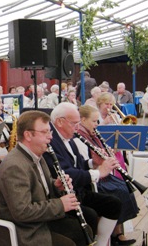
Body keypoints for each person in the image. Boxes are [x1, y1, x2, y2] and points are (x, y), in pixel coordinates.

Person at [0, 110, 93, 246]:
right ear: (28, 135)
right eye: (45, 132)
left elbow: (42, 185)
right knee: (70, 242)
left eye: (50, 132)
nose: (50, 137)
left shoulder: (38, 155)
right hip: (20, 230)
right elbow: (22, 212)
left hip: (37, 222)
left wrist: (56, 185)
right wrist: (60, 204)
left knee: (84, 229)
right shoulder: (15, 167)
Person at [43, 102, 122, 246]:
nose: (77, 127)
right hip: (65, 195)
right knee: (90, 214)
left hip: (78, 190)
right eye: (74, 123)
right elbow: (67, 173)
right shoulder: (51, 141)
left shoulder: (69, 138)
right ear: (60, 122)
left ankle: (102, 243)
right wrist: (99, 172)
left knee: (114, 204)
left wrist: (93, 162)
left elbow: (79, 165)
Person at [75, 105, 138, 245]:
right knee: (118, 190)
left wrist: (107, 152)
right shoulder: (79, 137)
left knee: (124, 186)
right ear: (83, 120)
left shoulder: (92, 134)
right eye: (94, 121)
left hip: (100, 174)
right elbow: (84, 164)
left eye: (98, 121)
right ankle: (113, 235)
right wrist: (99, 162)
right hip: (93, 178)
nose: (97, 125)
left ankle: (117, 233)